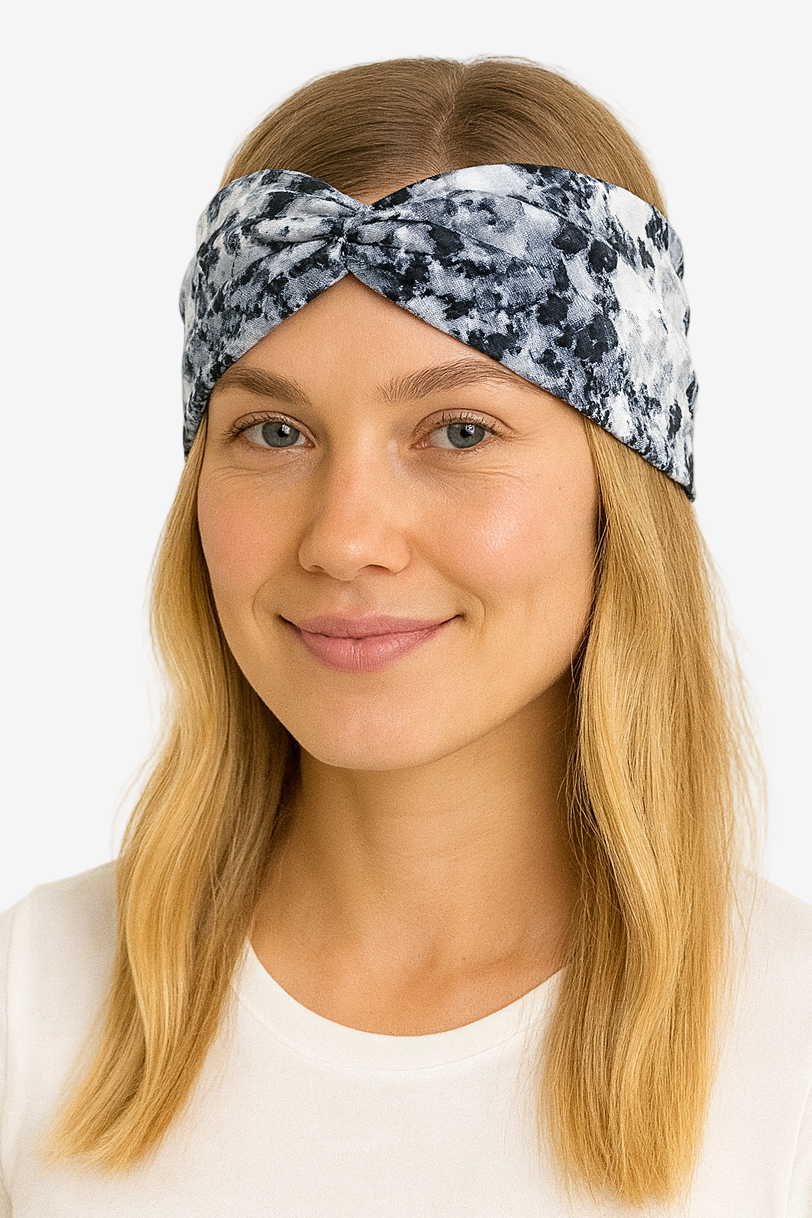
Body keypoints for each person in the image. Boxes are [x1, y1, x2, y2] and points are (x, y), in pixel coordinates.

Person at [1, 55, 810, 1216]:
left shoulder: (787, 1060)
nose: (343, 539)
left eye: (459, 429)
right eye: (273, 430)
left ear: (615, 493)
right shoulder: (33, 1002)